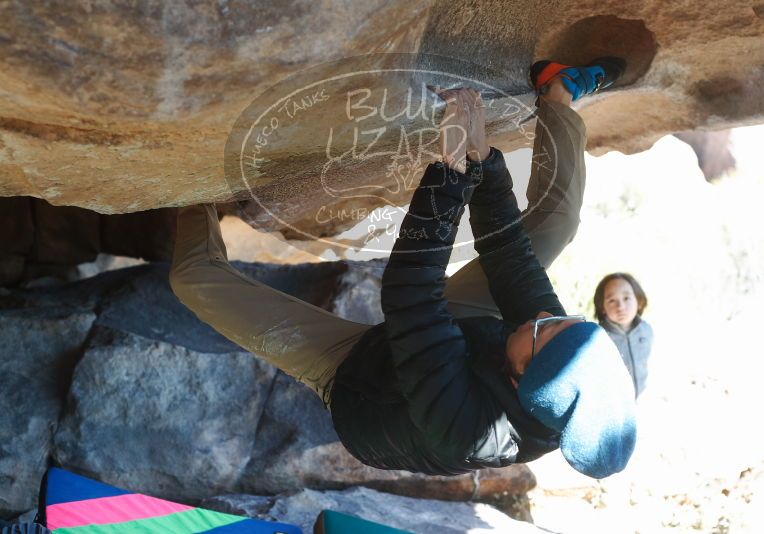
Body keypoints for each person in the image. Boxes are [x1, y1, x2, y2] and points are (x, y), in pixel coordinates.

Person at [169, 57, 636, 479]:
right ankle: (558, 94)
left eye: (542, 331)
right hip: (464, 336)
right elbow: (511, 257)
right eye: (561, 319)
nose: (539, 316)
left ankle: (192, 194)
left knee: (191, 279)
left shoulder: (468, 429)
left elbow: (411, 293)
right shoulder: (550, 343)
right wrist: (482, 162)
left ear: (521, 377)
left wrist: (450, 170)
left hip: (360, 377)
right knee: (554, 227)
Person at [594, 273, 654, 398]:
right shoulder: (598, 338)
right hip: (615, 403)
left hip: (642, 399)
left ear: (639, 300)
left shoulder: (646, 330)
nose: (620, 307)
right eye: (611, 300)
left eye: (626, 298)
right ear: (602, 308)